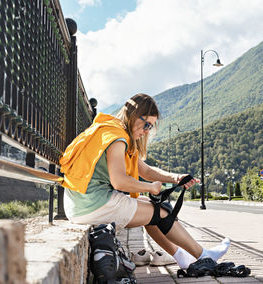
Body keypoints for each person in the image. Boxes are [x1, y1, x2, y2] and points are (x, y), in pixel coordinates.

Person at [60, 93, 230, 270]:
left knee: (152, 210)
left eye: (151, 126)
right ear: (133, 115)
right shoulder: (117, 138)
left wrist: (175, 178)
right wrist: (150, 187)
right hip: (93, 204)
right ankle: (203, 255)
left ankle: (182, 257)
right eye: (147, 124)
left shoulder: (112, 130)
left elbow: (146, 170)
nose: (147, 130)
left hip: (80, 203)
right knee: (160, 212)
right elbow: (118, 181)